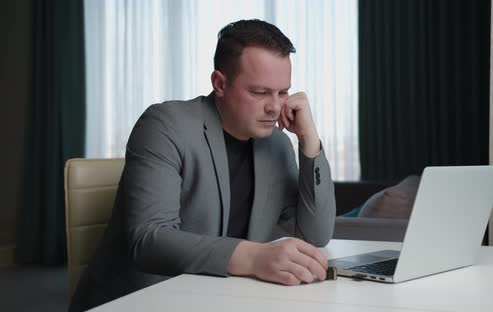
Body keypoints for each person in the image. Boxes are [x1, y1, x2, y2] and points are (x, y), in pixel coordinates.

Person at [69, 19, 336, 311]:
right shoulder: (164, 125)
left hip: (219, 298)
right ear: (220, 84)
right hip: (142, 301)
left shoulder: (276, 144)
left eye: (283, 92)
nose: (274, 107)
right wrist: (254, 257)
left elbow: (314, 235)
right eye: (260, 93)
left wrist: (310, 142)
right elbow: (148, 240)